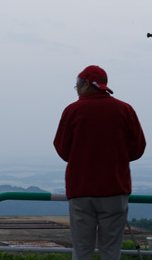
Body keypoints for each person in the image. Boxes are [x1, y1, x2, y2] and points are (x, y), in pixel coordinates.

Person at [54, 65, 146, 260]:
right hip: (115, 190)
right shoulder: (124, 110)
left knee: (81, 250)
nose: (77, 90)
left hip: (80, 191)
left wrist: (82, 157)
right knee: (111, 252)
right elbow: (138, 148)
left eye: (77, 86)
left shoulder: (72, 111)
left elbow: (62, 150)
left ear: (86, 84)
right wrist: (115, 157)